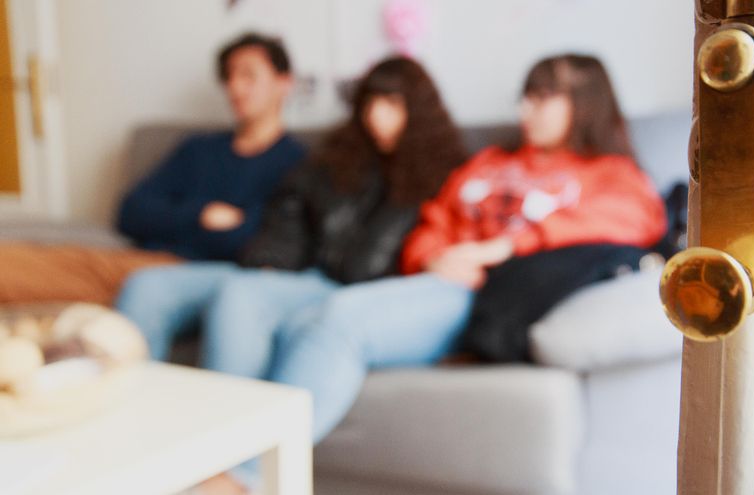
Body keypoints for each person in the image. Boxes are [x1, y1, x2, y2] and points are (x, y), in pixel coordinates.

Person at [209, 53, 668, 450]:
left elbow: (632, 220)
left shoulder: (611, 172)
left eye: (544, 97)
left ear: (585, 105)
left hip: (499, 295)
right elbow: (432, 222)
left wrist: (500, 247)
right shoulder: (489, 162)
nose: (528, 109)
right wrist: (433, 257)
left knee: (335, 322)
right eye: (526, 97)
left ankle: (245, 474)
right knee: (301, 320)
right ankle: (233, 456)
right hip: (443, 282)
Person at [116, 57, 466, 365]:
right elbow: (289, 208)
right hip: (287, 270)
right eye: (370, 103)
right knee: (145, 286)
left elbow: (399, 256)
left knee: (241, 297)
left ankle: (235, 432)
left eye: (391, 103)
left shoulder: (440, 173)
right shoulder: (339, 156)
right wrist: (270, 259)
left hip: (342, 289)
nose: (377, 116)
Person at [0, 32, 305, 305]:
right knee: (18, 262)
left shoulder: (296, 162)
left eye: (249, 76)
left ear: (284, 83)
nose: (235, 87)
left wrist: (176, 221)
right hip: (141, 259)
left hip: (197, 274)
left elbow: (254, 241)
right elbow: (130, 211)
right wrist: (200, 214)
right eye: (229, 77)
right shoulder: (198, 149)